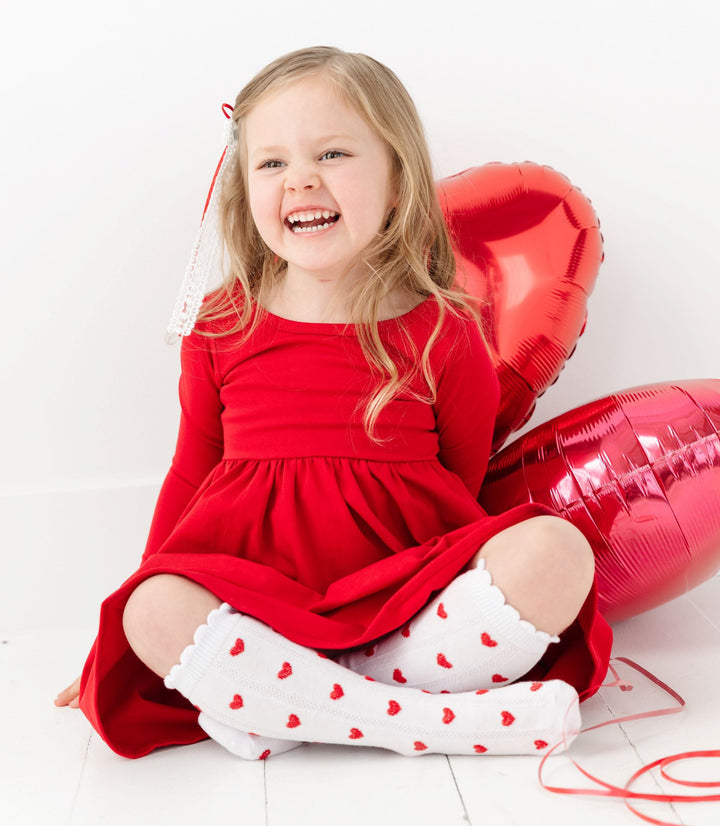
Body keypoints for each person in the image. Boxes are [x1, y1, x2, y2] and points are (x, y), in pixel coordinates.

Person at [55, 46, 611, 760]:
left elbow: (464, 474)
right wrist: (121, 633)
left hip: (408, 606)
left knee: (557, 552)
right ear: (242, 186)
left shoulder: (441, 328)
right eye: (273, 162)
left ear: (396, 181)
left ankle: (290, 704)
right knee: (148, 607)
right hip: (258, 613)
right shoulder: (223, 326)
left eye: (334, 153)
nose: (302, 181)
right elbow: (192, 473)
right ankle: (414, 719)